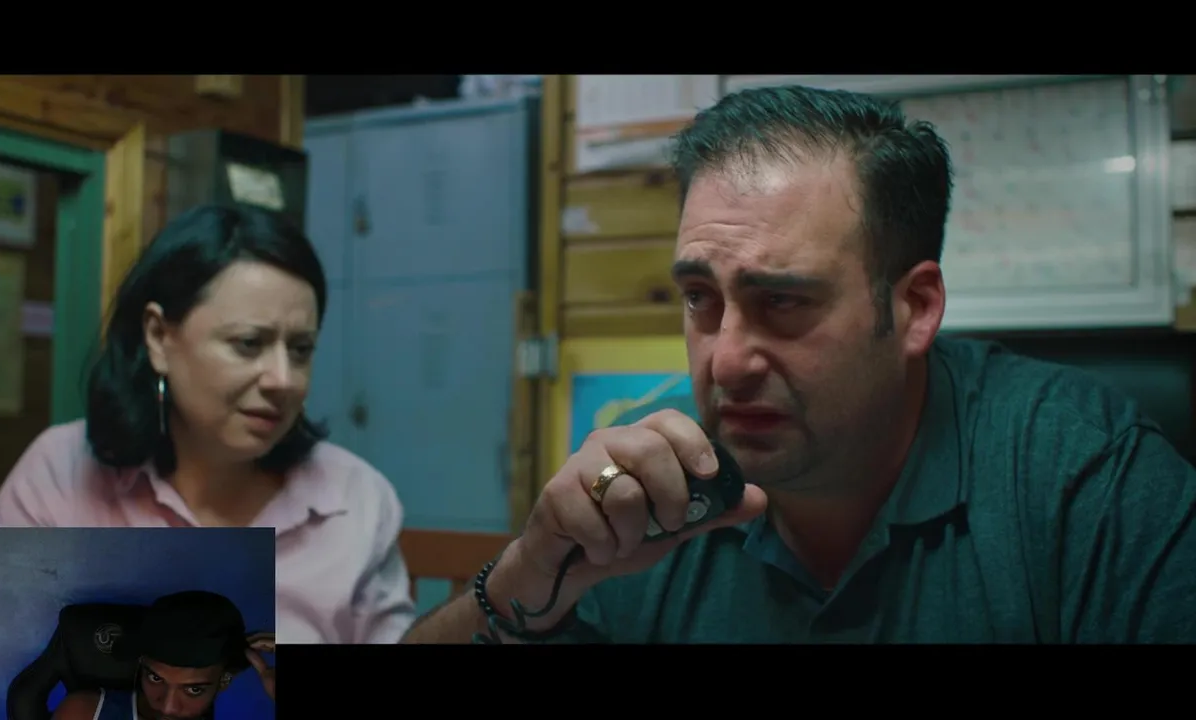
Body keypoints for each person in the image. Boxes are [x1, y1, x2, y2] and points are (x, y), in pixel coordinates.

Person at [402, 84, 1196, 644]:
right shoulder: (654, 488)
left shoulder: (1085, 476)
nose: (727, 361)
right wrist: (528, 574)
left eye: (782, 301)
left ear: (915, 308)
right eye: (699, 298)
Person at [0, 204, 416, 644]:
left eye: (300, 350)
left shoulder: (354, 499)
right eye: (249, 343)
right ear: (158, 337)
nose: (283, 380)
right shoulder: (61, 472)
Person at [52, 591, 273, 720]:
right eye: (155, 678)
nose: (168, 707)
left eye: (193, 690)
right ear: (141, 663)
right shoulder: (85, 713)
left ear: (223, 681)